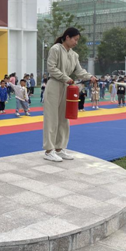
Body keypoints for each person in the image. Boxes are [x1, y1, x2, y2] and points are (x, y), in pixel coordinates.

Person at [43, 27, 95, 162]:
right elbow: (51, 68)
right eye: (75, 39)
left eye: (77, 40)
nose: (76, 42)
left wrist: (90, 77)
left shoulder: (74, 55)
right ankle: (49, 151)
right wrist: (65, 78)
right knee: (51, 118)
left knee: (64, 119)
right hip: (54, 85)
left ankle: (59, 148)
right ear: (67, 37)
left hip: (67, 87)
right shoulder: (55, 49)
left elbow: (79, 71)